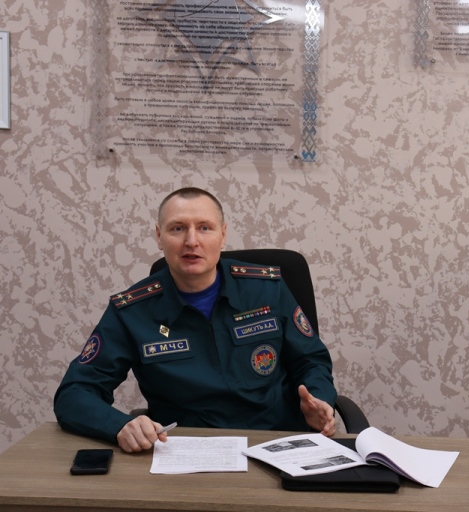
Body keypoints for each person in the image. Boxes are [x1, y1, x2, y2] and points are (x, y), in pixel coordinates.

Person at [54, 187, 337, 452]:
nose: (192, 241)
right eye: (177, 228)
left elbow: (310, 360)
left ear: (222, 235)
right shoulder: (132, 311)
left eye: (204, 228)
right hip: (189, 451)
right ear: (159, 236)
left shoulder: (267, 289)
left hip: (277, 442)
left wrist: (318, 400)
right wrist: (119, 426)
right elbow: (75, 393)